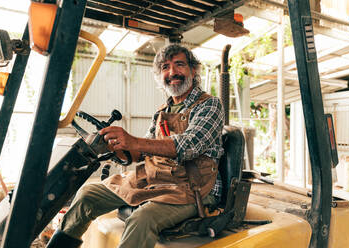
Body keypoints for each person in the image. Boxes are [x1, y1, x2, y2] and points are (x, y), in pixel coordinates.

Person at [46, 43, 225, 248]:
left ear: (193, 70)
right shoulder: (162, 111)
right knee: (87, 195)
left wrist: (132, 140)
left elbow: (189, 145)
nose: (172, 72)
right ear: (160, 75)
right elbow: (141, 152)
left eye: (179, 64)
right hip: (155, 179)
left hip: (192, 188)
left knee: (142, 219)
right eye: (165, 67)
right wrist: (118, 147)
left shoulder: (209, 104)